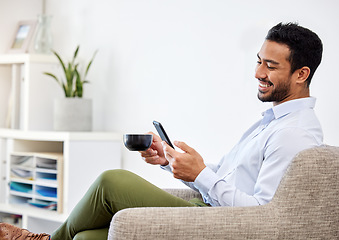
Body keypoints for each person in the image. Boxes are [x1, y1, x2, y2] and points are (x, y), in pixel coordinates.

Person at [0, 22, 323, 240]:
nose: (258, 73)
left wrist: (200, 175)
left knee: (112, 180)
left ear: (301, 74)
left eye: (271, 66)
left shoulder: (293, 134)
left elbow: (263, 217)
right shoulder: (273, 121)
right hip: (210, 208)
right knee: (85, 237)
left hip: (221, 222)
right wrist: (173, 161)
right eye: (258, 61)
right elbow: (229, 177)